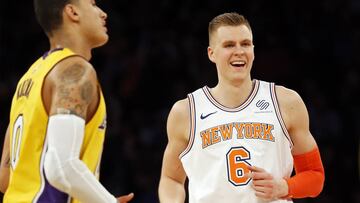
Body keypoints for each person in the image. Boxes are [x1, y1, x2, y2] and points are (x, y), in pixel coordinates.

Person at [158, 12, 325, 203]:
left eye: (245, 44)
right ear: (211, 53)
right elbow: (171, 179)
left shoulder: (285, 102)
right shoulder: (186, 112)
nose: (239, 51)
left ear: (253, 49)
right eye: (229, 45)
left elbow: (315, 176)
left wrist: (285, 187)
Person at [0, 0, 134, 202]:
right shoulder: (75, 70)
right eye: (93, 4)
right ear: (72, 12)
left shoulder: (29, 79)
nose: (103, 13)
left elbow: (5, 178)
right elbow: (61, 166)